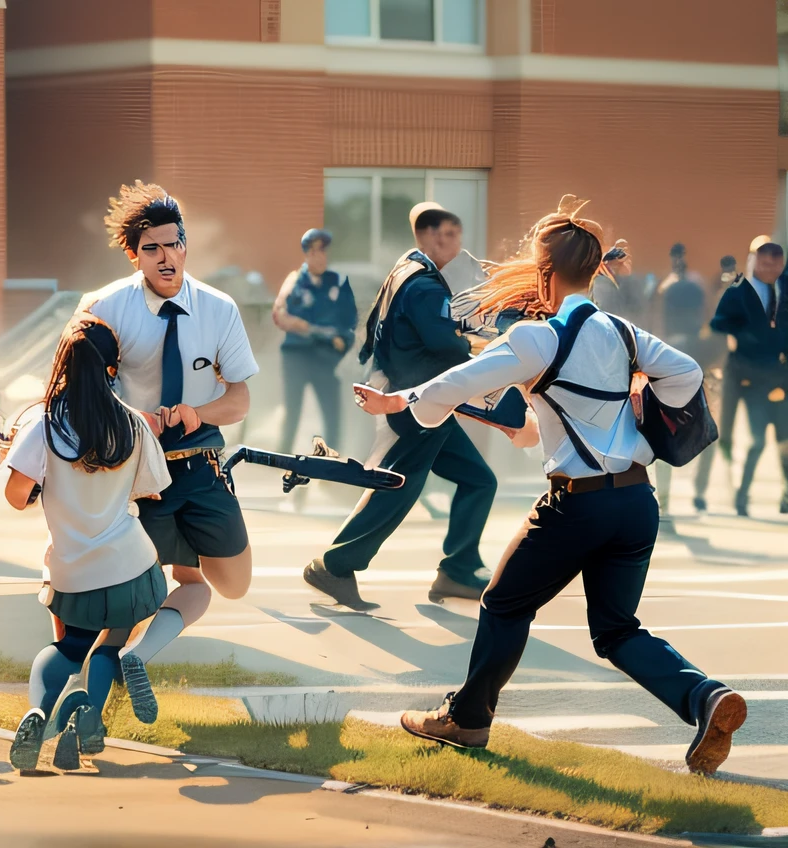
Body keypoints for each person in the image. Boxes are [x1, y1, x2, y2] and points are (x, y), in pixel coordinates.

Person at [359, 196, 746, 776]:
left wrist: (400, 402)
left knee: (503, 603)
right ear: (592, 271)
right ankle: (705, 697)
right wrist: (640, 401)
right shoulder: (623, 333)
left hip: (578, 502)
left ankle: (467, 718)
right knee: (616, 631)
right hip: (638, 501)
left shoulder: (537, 339)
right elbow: (687, 372)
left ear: (543, 273)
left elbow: (456, 383)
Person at [81, 181, 258, 709]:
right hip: (138, 477)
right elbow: (78, 387)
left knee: (232, 583)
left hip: (201, 468)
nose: (166, 257)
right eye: (152, 248)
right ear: (134, 254)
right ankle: (101, 696)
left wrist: (196, 413)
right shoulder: (104, 306)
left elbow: (242, 397)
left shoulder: (219, 308)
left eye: (173, 243)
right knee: (140, 590)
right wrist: (133, 421)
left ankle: (130, 661)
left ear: (186, 245)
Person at [0, 315, 172, 771]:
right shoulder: (132, 425)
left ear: (63, 365)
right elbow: (153, 489)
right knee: (112, 644)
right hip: (131, 566)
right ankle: (84, 718)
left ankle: (38, 710)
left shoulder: (42, 425)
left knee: (67, 649)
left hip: (72, 571)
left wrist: (42, 483)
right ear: (111, 369)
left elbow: (15, 496)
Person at [305, 207, 496, 610]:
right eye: (447, 235)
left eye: (457, 235)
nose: (455, 244)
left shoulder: (405, 270)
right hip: (420, 403)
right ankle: (334, 565)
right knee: (399, 487)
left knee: (479, 480)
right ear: (428, 237)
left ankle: (457, 571)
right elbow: (447, 344)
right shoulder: (425, 284)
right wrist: (489, 346)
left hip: (416, 398)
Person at [709, 241, 788, 516]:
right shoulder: (739, 291)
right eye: (765, 264)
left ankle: (786, 495)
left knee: (785, 440)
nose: (770, 270)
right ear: (754, 262)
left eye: (775, 265)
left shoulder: (785, 287)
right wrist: (743, 334)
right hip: (750, 374)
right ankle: (742, 496)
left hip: (781, 375)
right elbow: (718, 323)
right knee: (757, 440)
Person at [271, 228, 357, 456]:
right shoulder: (295, 280)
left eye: (323, 251)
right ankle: (283, 457)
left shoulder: (337, 283)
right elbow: (280, 315)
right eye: (313, 251)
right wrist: (316, 330)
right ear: (306, 254)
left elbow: (349, 322)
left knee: (332, 413)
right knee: (293, 411)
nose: (319, 256)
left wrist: (339, 340)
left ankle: (332, 462)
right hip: (296, 354)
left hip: (326, 358)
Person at [652, 244, 713, 518]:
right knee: (704, 428)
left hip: (667, 366)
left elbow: (658, 322)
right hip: (693, 363)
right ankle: (699, 492)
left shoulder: (665, 289)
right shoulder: (689, 290)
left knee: (665, 433)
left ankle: (665, 501)